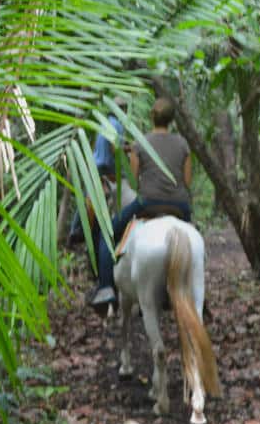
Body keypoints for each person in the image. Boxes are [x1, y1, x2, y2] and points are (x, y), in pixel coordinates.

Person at [90, 96, 193, 310]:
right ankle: (197, 295)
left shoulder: (140, 144)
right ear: (172, 120)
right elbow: (187, 181)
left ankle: (106, 287)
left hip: (149, 203)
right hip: (180, 205)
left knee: (108, 234)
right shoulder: (183, 144)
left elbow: (135, 182)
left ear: (152, 118)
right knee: (193, 240)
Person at [71, 99, 126, 244]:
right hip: (106, 165)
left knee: (86, 196)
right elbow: (114, 149)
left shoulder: (104, 122)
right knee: (129, 181)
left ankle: (75, 229)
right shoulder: (118, 125)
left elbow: (98, 145)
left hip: (94, 163)